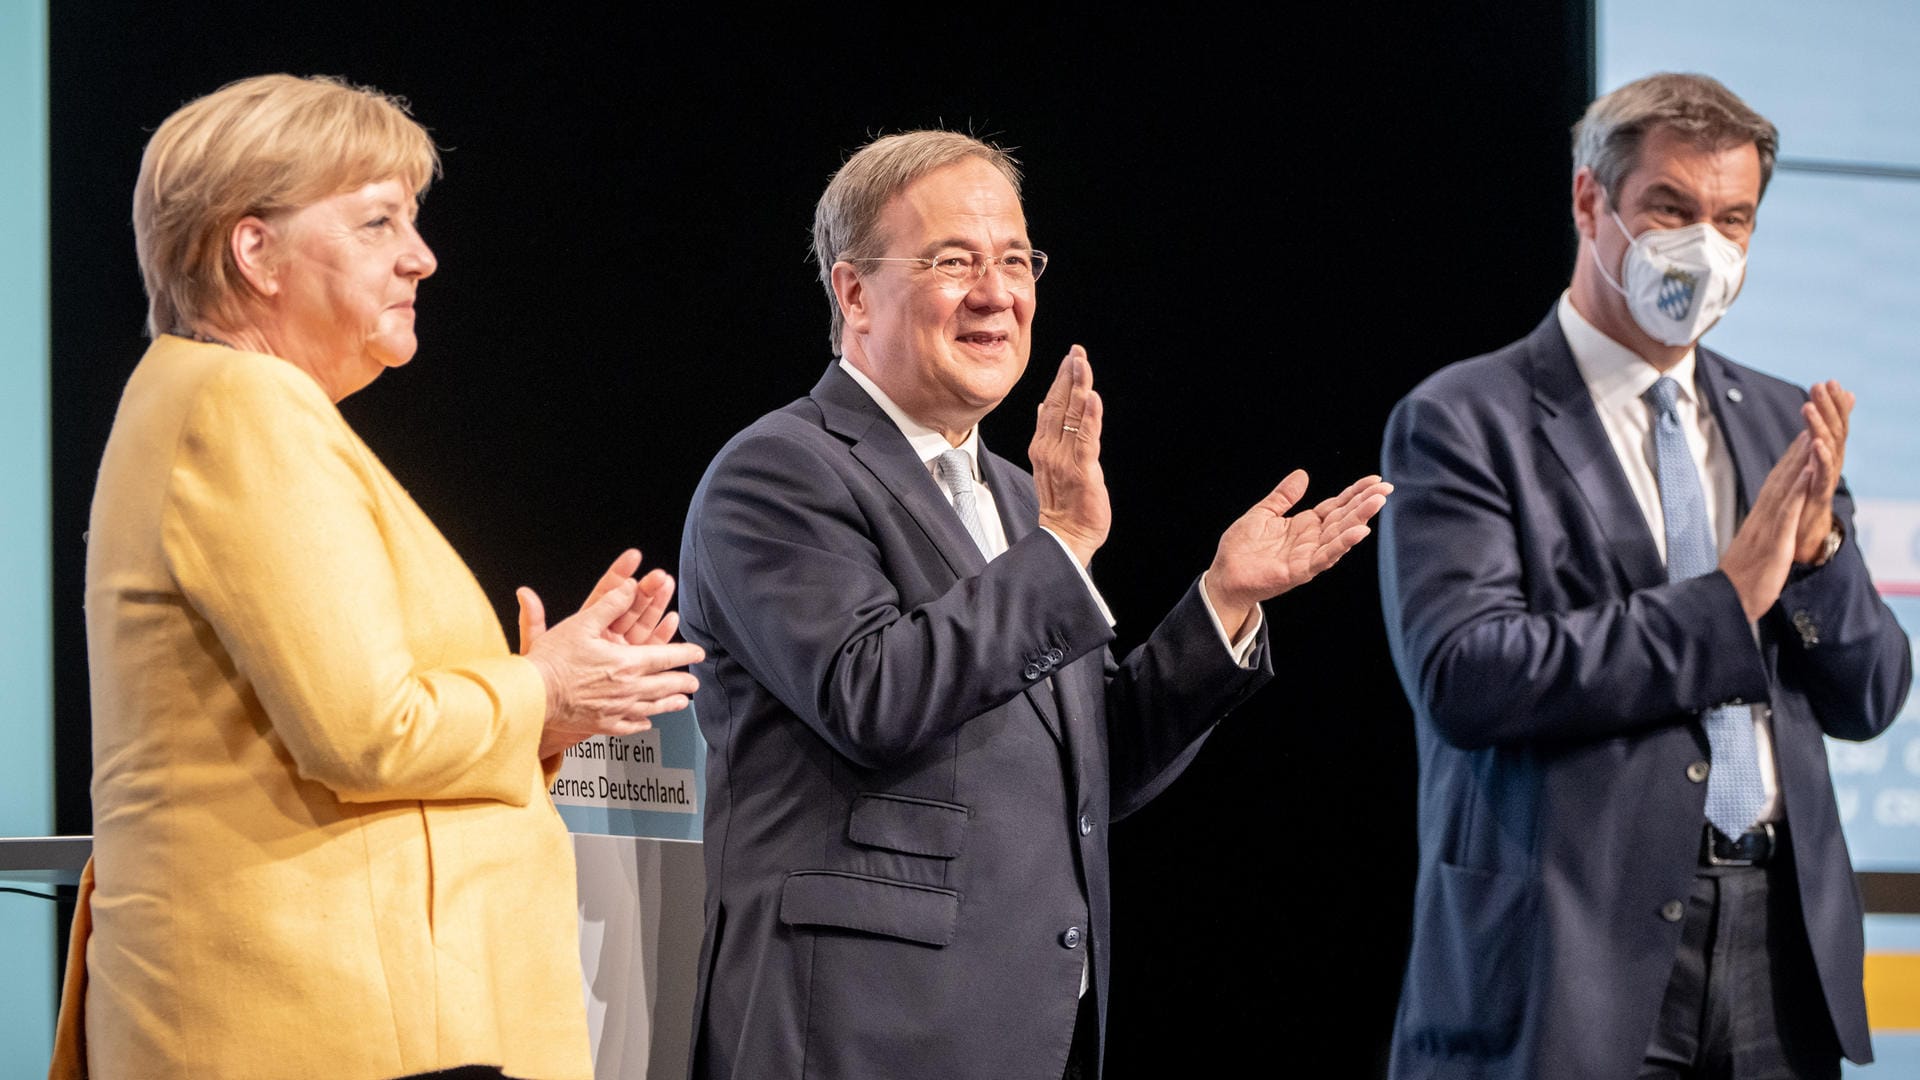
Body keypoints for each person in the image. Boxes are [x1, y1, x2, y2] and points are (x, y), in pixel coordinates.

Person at [677, 129, 1391, 1080]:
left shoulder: (1019, 497)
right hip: (857, 1031)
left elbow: (1089, 769)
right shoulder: (778, 471)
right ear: (853, 293)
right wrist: (1062, 548)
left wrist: (1221, 603)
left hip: (1026, 1026)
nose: (997, 294)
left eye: (1016, 261)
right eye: (953, 261)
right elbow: (872, 696)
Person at [50, 74, 703, 1080]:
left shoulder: (230, 403)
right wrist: (544, 688)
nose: (421, 256)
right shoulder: (242, 408)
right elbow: (365, 731)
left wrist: (551, 713)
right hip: (320, 1029)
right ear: (253, 250)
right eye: (377, 222)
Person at [1380, 72, 1911, 1080]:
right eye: (1671, 207)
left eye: (1733, 218)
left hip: (1775, 955)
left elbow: (1872, 695)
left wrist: (1819, 561)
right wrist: (1726, 602)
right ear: (1592, 203)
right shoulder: (1465, 419)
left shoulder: (1780, 419)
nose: (1702, 246)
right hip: (1568, 954)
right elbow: (1468, 675)